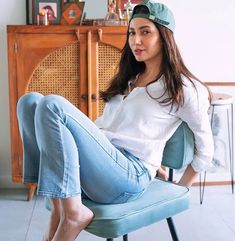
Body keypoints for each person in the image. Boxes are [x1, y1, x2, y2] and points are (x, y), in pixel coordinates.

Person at [17, 1, 214, 241]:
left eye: (145, 32)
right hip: (104, 164)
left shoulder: (184, 87)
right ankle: (60, 205)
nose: (135, 41)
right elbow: (108, 128)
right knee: (29, 102)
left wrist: (180, 189)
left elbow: (205, 148)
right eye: (132, 32)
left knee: (52, 105)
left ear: (165, 37)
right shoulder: (130, 77)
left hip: (128, 176)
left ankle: (73, 214)